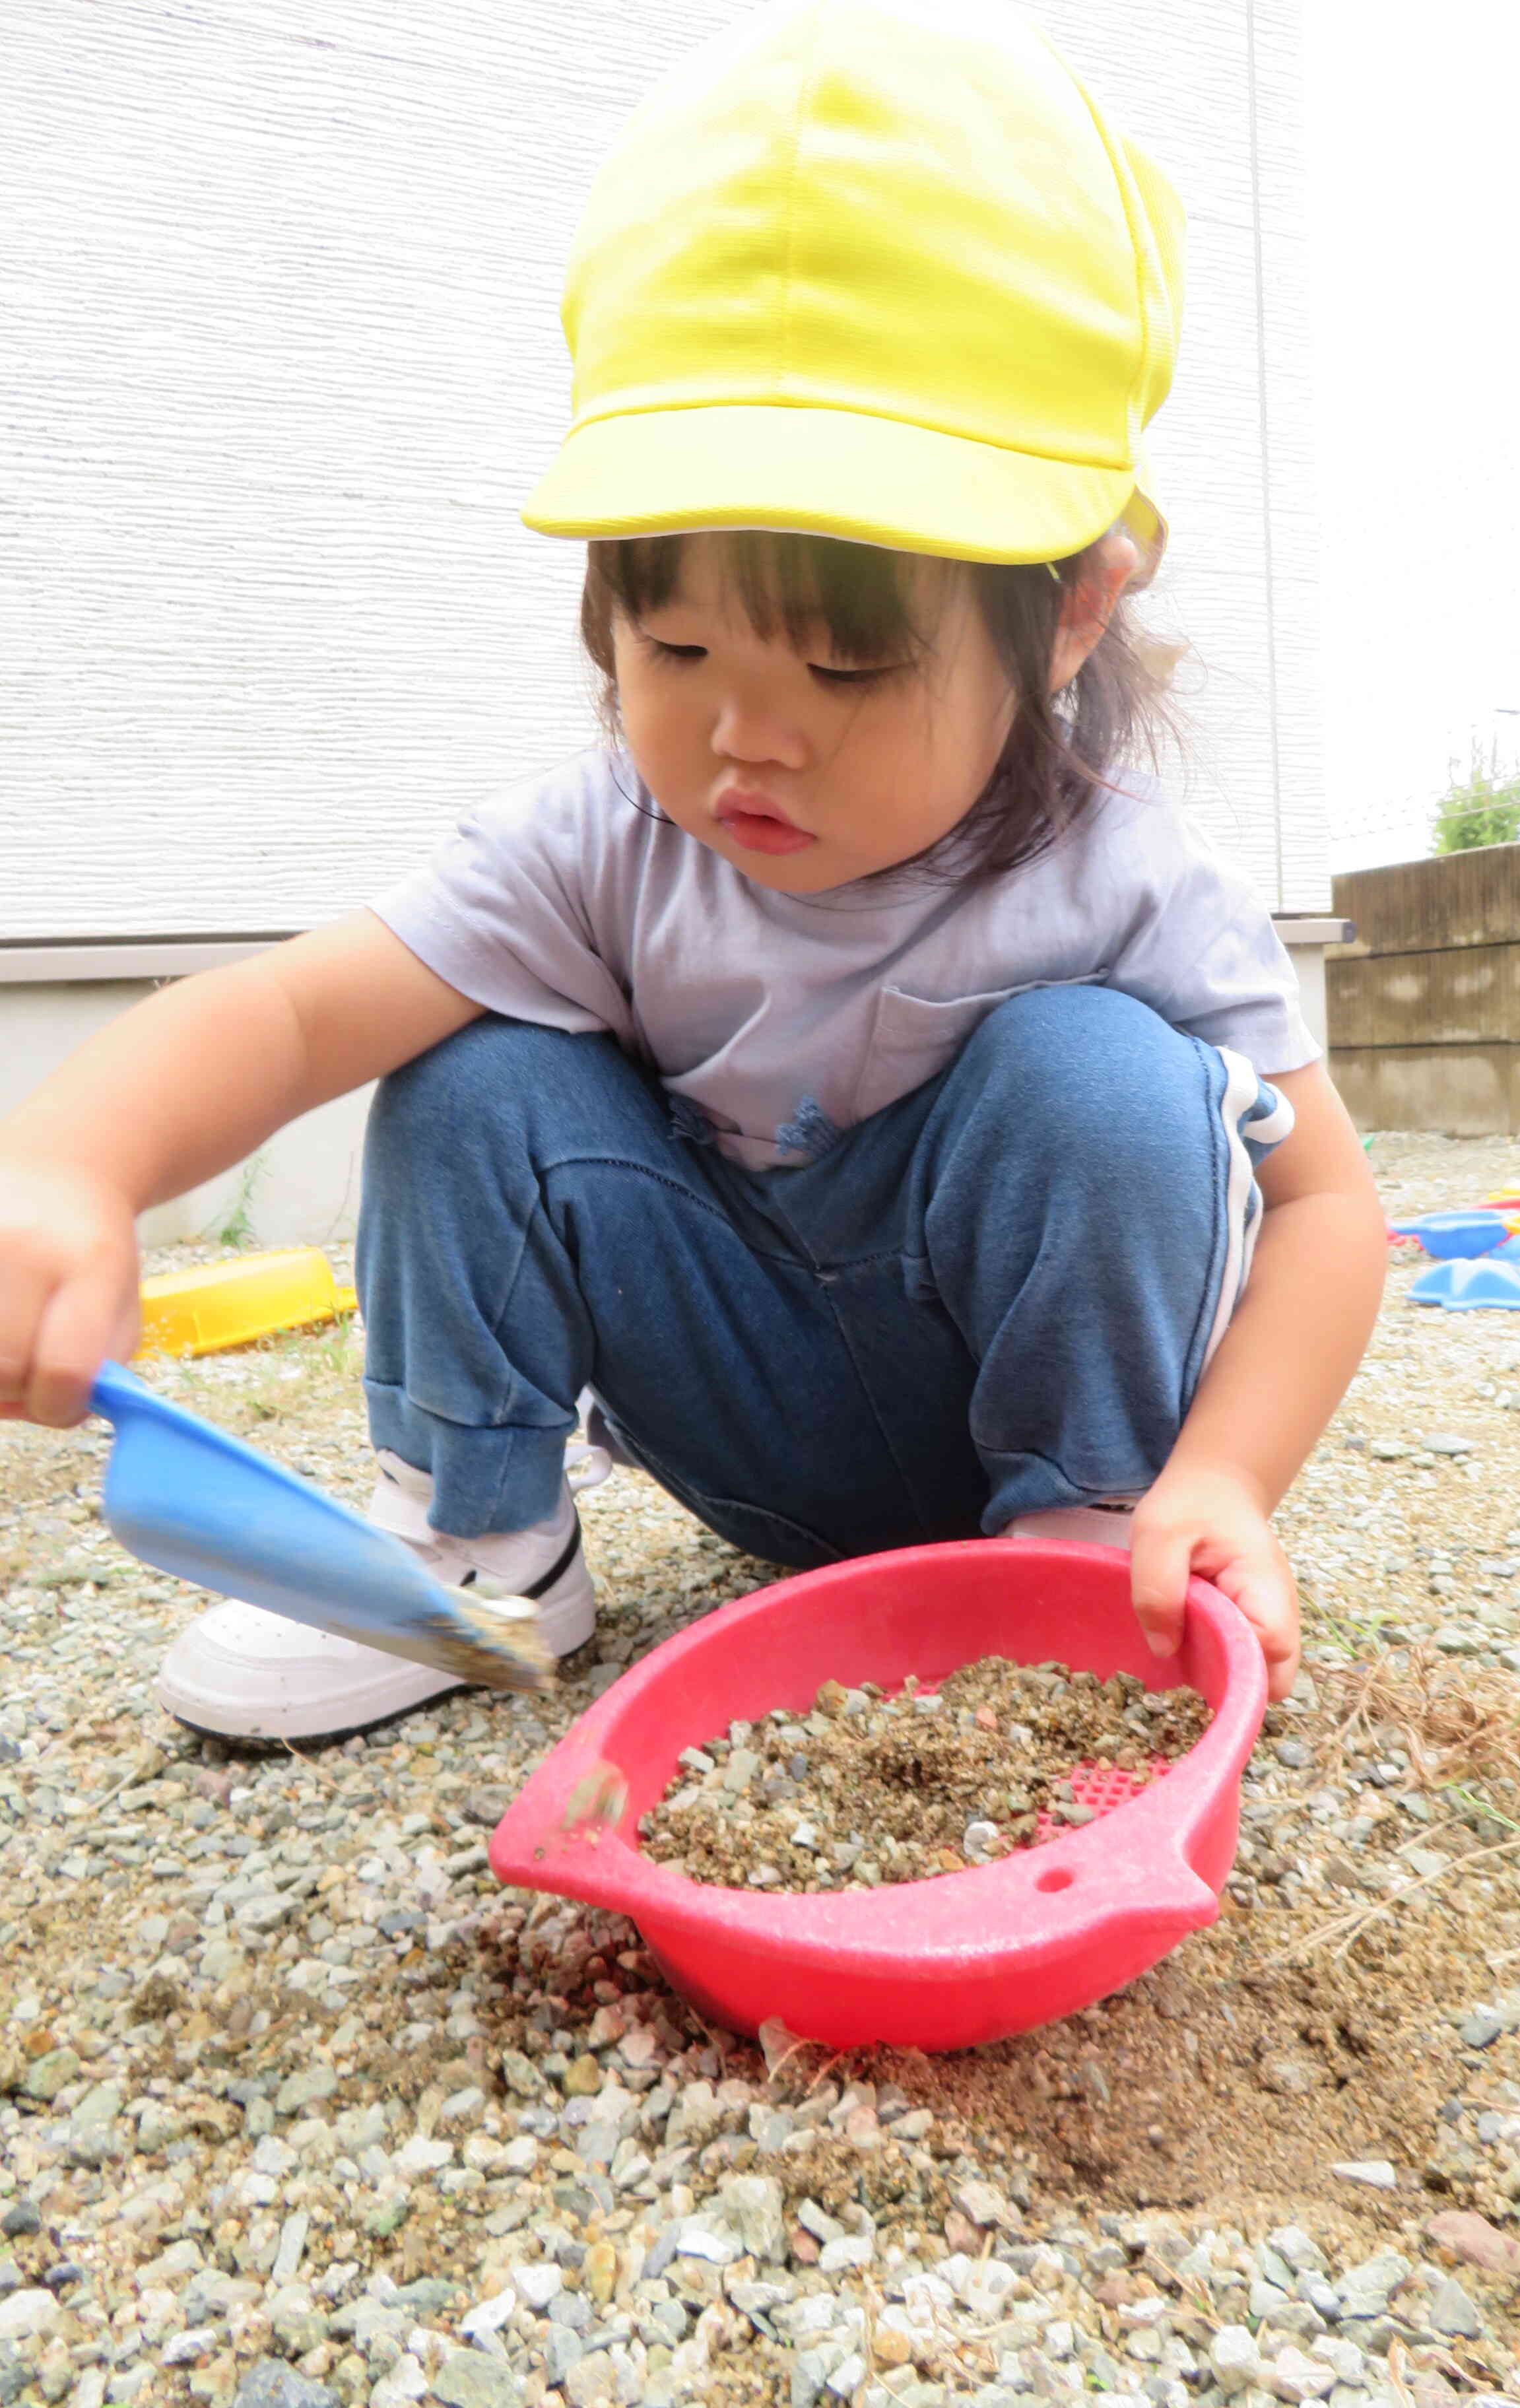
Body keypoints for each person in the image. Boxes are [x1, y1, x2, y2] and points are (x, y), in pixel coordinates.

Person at [0, 0, 1386, 1742]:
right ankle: (478, 1549)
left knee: (1095, 1076)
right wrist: (68, 1160)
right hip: (755, 1410)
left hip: (1040, 1439)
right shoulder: (607, 849)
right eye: (673, 651)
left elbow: (1333, 1213)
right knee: (473, 1063)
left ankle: (1080, 1542)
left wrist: (1228, 1478)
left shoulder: (1120, 877)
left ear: (1073, 614)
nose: (749, 743)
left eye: (842, 671)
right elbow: (289, 1016)